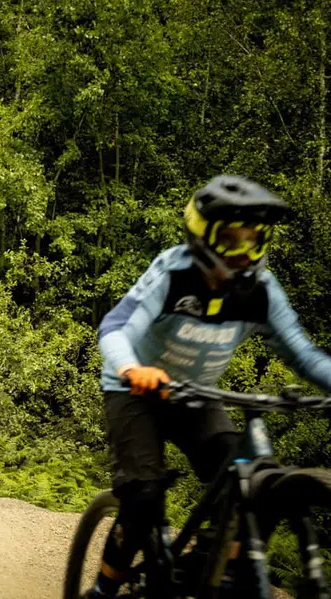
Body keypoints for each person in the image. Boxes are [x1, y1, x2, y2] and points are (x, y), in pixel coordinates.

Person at [85, 175, 331, 598]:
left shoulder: (261, 291)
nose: (244, 252)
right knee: (143, 495)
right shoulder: (173, 272)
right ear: (202, 237)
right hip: (136, 392)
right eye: (232, 239)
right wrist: (131, 369)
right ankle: (104, 588)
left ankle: (207, 563)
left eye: (254, 239)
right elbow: (115, 328)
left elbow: (304, 355)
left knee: (247, 477)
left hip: (197, 396)